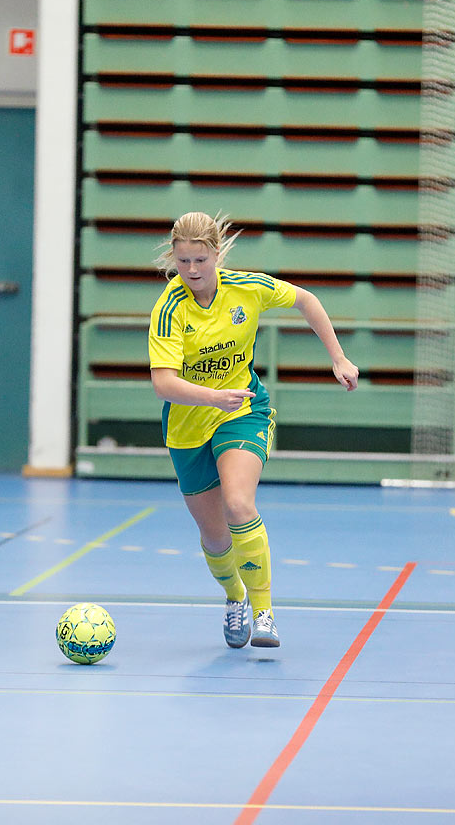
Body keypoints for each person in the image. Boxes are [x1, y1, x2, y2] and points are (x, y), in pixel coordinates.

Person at [148, 212, 359, 649]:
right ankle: (235, 597)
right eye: (183, 261)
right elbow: (163, 384)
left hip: (241, 409)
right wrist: (210, 396)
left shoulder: (248, 288)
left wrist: (338, 357)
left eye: (200, 260)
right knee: (213, 536)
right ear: (173, 257)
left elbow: (306, 300)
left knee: (239, 504)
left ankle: (264, 611)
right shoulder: (169, 308)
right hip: (188, 424)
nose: (191, 271)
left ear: (217, 254)